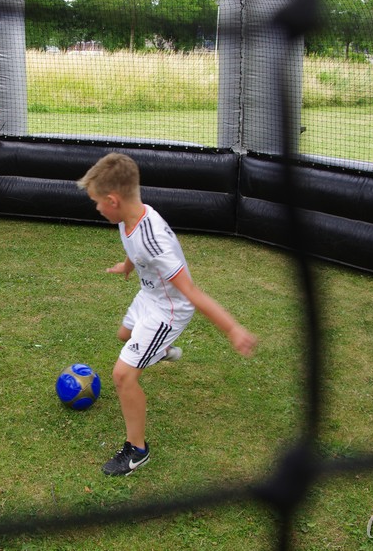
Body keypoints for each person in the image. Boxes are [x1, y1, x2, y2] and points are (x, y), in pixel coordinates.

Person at [77, 152, 257, 476]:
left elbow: (192, 293)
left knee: (123, 375)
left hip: (168, 310)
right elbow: (133, 247)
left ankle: (137, 451)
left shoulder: (155, 241)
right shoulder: (129, 217)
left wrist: (233, 329)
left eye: (97, 202)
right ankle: (159, 350)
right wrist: (127, 266)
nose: (97, 208)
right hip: (148, 296)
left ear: (113, 200)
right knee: (124, 335)